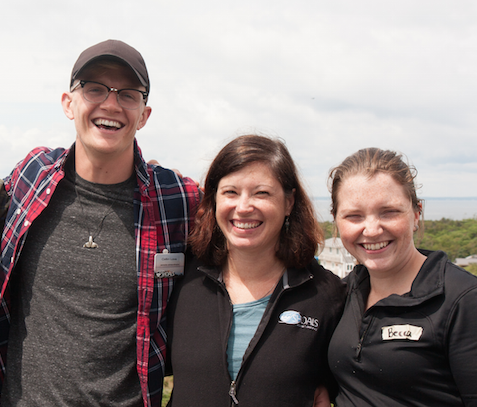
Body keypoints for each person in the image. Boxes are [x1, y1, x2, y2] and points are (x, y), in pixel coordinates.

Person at [0, 40, 200, 406]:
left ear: (144, 114)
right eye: (94, 89)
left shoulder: (178, 199)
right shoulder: (31, 175)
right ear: (68, 103)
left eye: (127, 94)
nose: (111, 104)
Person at [166, 135, 346, 407]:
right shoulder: (183, 278)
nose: (243, 206)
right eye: (230, 192)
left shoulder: (326, 294)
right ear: (214, 199)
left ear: (288, 203)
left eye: (261, 193)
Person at [327, 148, 477, 406]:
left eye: (389, 212)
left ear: (416, 213)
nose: (372, 230)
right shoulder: (340, 293)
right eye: (354, 216)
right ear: (337, 221)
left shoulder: (462, 300)